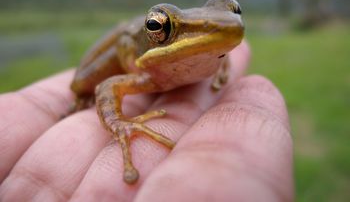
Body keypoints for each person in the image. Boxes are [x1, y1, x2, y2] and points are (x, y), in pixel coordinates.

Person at [0, 41, 294, 201]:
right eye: (159, 26)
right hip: (129, 44)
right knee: (81, 84)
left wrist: (221, 60)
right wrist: (118, 121)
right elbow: (108, 86)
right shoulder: (143, 73)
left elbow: (218, 41)